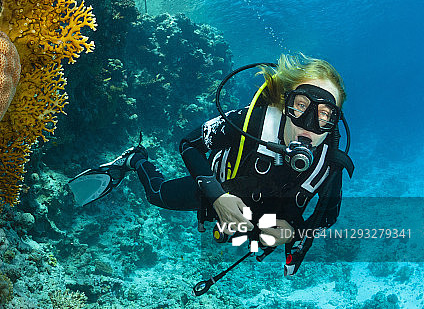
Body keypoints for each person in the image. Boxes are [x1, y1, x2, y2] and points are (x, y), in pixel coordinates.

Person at [72, 54, 353, 277]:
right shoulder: (251, 121)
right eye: (301, 106)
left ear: (334, 124)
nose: (309, 123)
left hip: (265, 220)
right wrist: (217, 196)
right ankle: (134, 159)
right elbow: (188, 144)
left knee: (255, 238)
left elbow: (326, 217)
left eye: (324, 115)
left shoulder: (330, 164)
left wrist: (291, 232)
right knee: (156, 195)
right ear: (285, 103)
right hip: (217, 188)